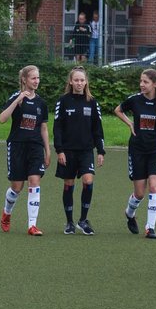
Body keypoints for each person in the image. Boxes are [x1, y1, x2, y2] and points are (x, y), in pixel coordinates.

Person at [115, 68, 156, 239]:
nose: (141, 85)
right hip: (137, 148)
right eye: (141, 81)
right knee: (139, 193)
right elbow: (118, 110)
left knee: (154, 186)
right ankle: (130, 213)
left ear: (155, 84)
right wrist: (129, 123)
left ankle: (150, 227)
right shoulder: (135, 100)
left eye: (145, 82)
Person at [0, 64, 50, 236]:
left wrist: (48, 151)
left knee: (35, 182)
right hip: (17, 146)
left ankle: (32, 225)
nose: (36, 81)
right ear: (24, 79)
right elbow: (2, 119)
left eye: (38, 78)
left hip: (35, 147)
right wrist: (17, 100)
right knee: (16, 187)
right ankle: (6, 213)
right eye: (33, 78)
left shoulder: (41, 103)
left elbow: (43, 128)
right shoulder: (16, 97)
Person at [52, 66, 105, 235]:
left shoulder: (92, 102)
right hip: (67, 151)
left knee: (88, 181)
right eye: (76, 80)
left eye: (82, 80)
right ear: (71, 81)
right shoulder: (63, 100)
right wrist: (59, 150)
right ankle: (69, 222)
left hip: (86, 151)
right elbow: (57, 128)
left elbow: (98, 129)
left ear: (86, 82)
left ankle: (83, 220)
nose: (79, 83)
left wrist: (101, 151)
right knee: (69, 184)